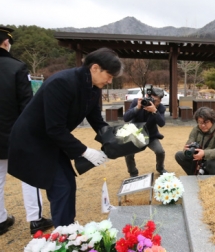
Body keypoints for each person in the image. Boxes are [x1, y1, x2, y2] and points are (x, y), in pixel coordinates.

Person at [7, 47, 123, 228]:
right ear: (94, 68)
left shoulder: (93, 87)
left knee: (67, 184)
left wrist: (115, 140)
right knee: (61, 187)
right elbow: (54, 128)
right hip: (33, 141)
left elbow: (97, 121)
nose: (110, 81)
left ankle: (67, 230)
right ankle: (64, 236)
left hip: (52, 141)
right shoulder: (62, 83)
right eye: (109, 75)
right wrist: (85, 152)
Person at [0, 26, 53, 235]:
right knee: (29, 176)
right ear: (6, 42)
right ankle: (35, 219)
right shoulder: (17, 68)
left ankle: (1, 220)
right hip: (13, 133)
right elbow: (26, 105)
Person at [123, 87, 167, 177]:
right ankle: (133, 172)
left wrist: (155, 111)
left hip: (151, 135)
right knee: (128, 153)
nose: (152, 102)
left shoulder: (160, 108)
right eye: (151, 99)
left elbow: (162, 123)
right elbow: (126, 118)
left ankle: (160, 168)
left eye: (156, 101)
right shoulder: (137, 102)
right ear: (146, 96)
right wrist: (137, 108)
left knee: (160, 151)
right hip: (136, 134)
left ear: (160, 101)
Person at [175, 107, 215, 175]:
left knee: (210, 164)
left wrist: (204, 153)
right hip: (199, 157)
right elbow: (189, 142)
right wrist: (187, 150)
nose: (203, 125)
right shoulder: (196, 130)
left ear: (212, 121)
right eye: (200, 122)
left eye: (206, 122)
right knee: (179, 155)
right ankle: (193, 176)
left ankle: (210, 179)